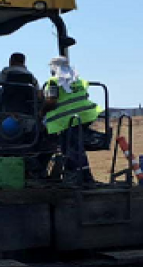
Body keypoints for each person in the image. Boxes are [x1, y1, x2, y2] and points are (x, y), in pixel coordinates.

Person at [42, 56, 101, 185]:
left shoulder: (53, 82)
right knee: (75, 148)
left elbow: (51, 100)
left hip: (70, 120)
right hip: (86, 116)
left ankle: (80, 179)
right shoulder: (77, 80)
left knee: (71, 149)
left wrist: (41, 111)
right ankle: (82, 177)